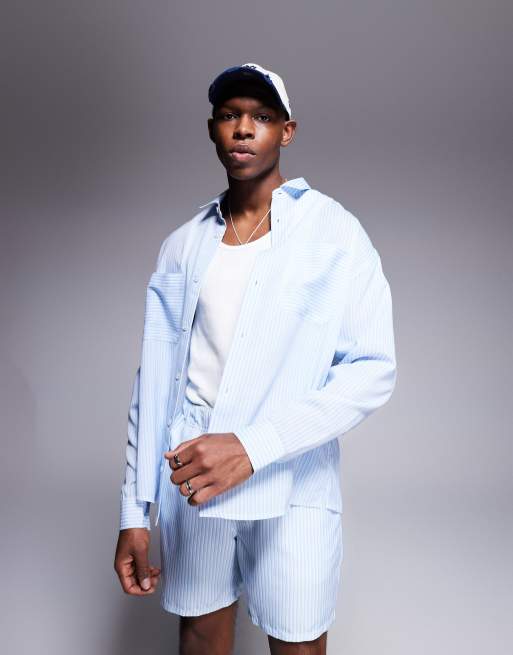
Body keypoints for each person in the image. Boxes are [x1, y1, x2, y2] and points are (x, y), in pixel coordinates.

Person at [114, 62, 397, 655]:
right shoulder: (183, 245)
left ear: (286, 132)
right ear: (212, 129)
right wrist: (135, 513)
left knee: (298, 643)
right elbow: (155, 383)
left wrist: (253, 446)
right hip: (194, 474)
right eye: (230, 115)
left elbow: (372, 370)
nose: (243, 128)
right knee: (201, 637)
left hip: (292, 475)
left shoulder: (334, 232)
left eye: (262, 117)